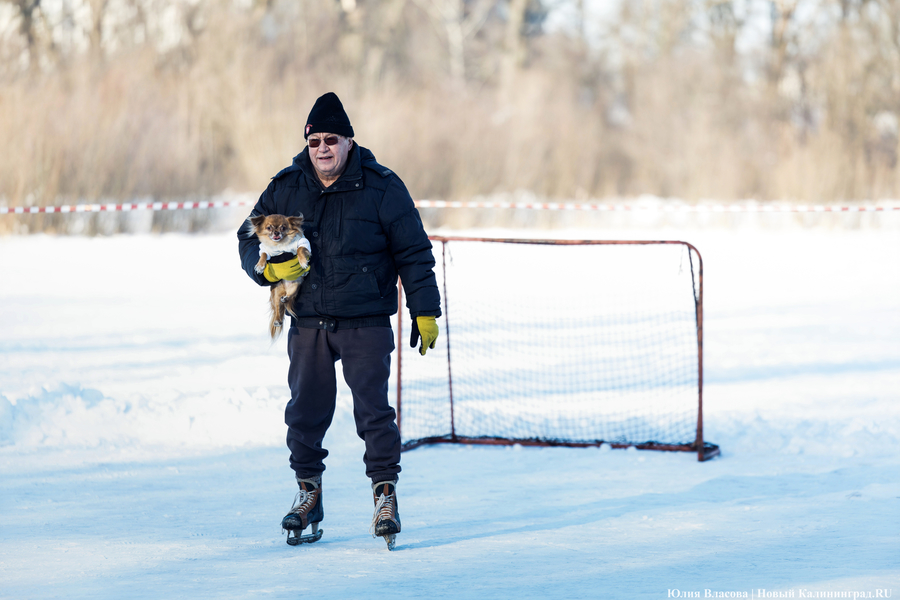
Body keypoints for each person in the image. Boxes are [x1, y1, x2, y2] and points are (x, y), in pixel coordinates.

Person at [236, 92, 441, 549]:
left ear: (349, 141)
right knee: (304, 413)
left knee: (374, 414)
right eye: (315, 142)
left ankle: (384, 496)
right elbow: (247, 236)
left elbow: (413, 251)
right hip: (308, 321)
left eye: (332, 139)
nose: (323, 148)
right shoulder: (286, 186)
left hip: (365, 320)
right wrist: (264, 271)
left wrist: (425, 309)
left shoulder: (382, 186)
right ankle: (308, 494)